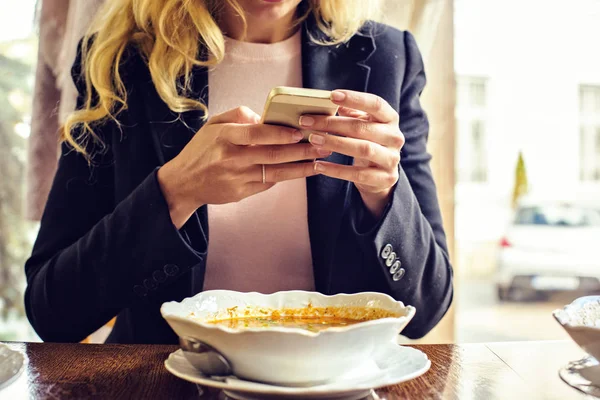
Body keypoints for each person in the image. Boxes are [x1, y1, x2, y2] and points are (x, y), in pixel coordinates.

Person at [24, 0, 453, 344]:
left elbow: (426, 309)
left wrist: (385, 196)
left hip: (331, 384)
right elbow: (53, 311)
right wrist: (174, 192)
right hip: (164, 381)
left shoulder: (386, 57)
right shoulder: (121, 59)